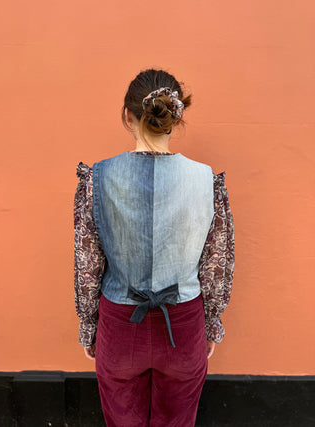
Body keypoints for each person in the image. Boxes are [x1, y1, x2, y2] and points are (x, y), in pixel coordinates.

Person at [73, 68, 235, 427]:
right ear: (175, 119)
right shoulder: (207, 181)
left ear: (127, 115)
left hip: (119, 325)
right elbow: (216, 265)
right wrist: (211, 324)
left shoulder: (97, 179)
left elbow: (87, 266)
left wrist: (89, 326)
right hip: (183, 324)